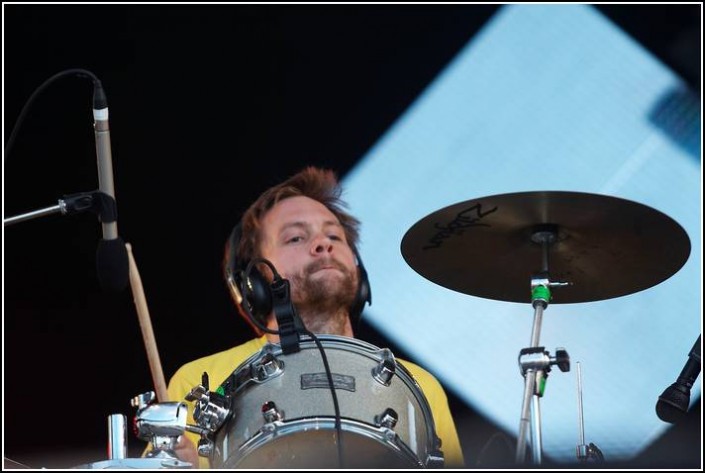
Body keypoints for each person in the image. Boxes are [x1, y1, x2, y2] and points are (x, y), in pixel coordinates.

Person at [165, 167, 465, 468]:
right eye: (295, 238)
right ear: (255, 283)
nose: (323, 244)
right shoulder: (199, 380)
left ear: (359, 271)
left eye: (334, 235)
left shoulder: (417, 386)